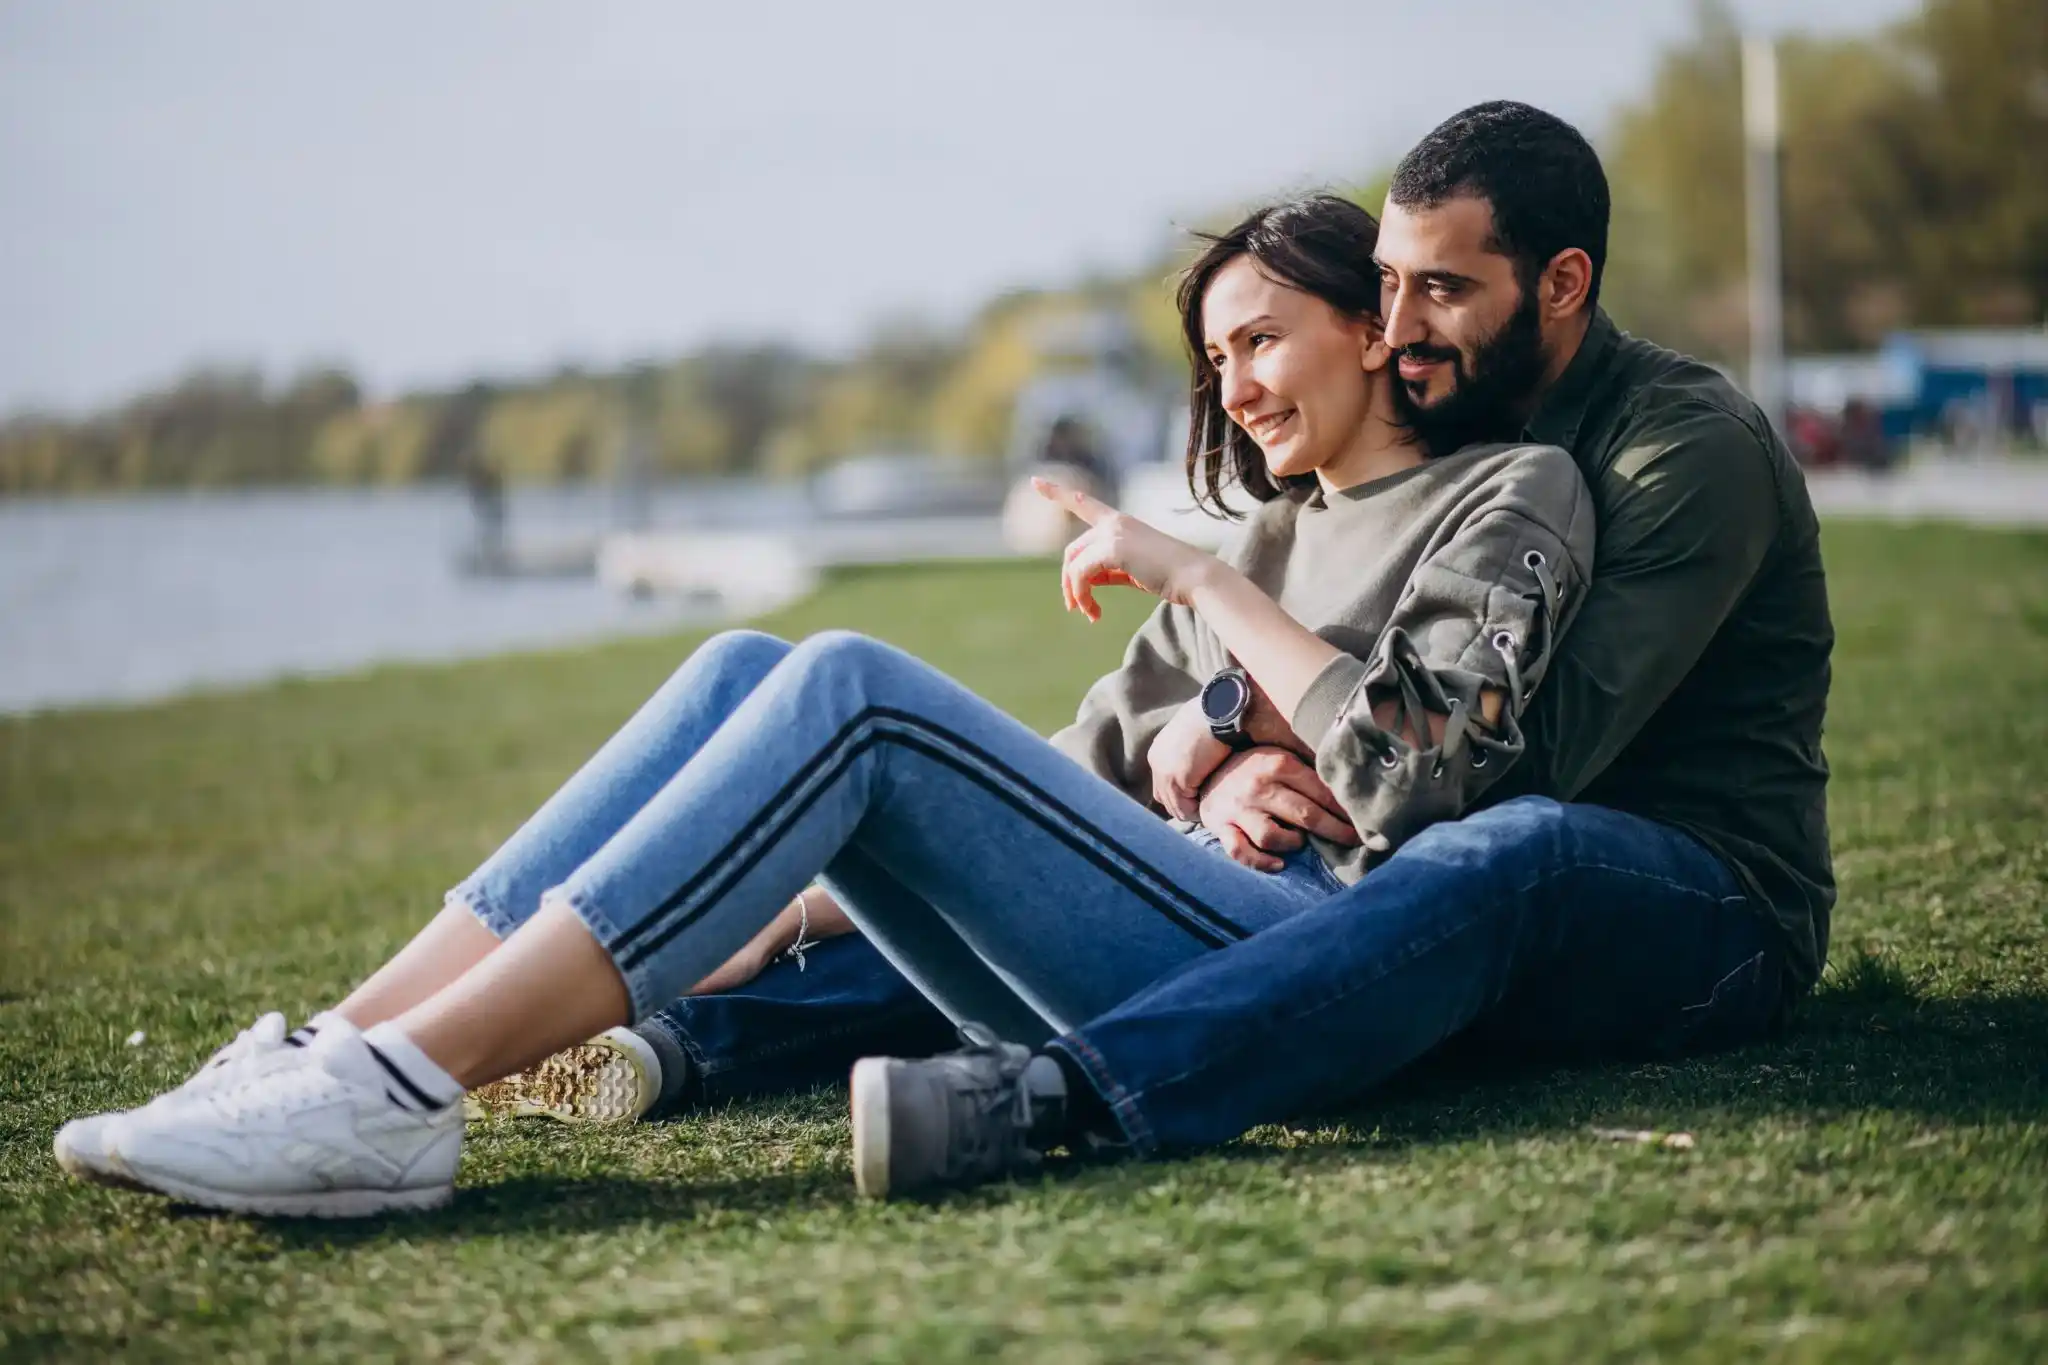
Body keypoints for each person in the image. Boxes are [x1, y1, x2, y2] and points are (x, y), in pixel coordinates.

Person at [54, 191, 1595, 1215]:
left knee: (855, 681)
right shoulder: (1268, 529)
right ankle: (333, 1050)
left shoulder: (1509, 492)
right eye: (1218, 356)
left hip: (1308, 965)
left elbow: (1423, 783)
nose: (1240, 385)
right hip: (1164, 915)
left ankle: (396, 1100)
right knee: (754, 670)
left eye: (1264, 337)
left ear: (1369, 326)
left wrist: (1201, 600)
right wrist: (785, 914)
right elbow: (1077, 776)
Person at [471, 99, 1834, 1197]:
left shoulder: (1676, 453)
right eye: (1389, 290)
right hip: (1424, 869)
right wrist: (1220, 745)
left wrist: (1234, 724)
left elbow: (1500, 764)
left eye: (1442, 292)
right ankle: (669, 1036)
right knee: (1053, 860)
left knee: (1510, 843)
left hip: (1685, 891)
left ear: (1564, 283)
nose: (1404, 329)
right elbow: (1131, 749)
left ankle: (1064, 1098)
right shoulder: (1436, 438)